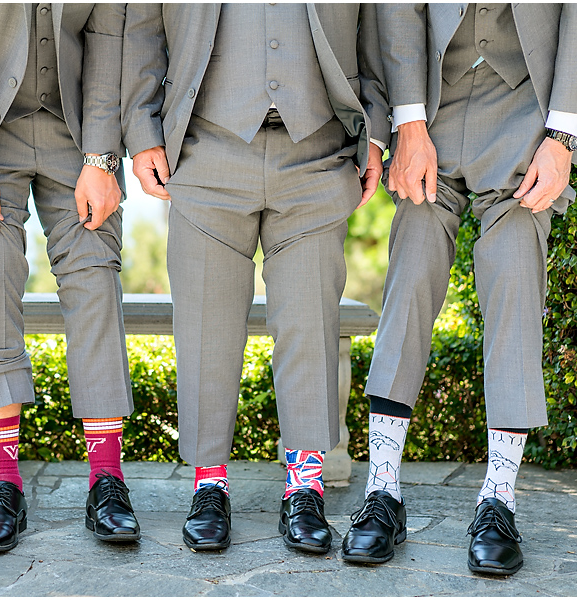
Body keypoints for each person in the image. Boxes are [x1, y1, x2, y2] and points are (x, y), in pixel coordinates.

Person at [121, 3, 387, 552]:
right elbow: (143, 28)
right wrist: (142, 130)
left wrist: (377, 135)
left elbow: (377, 28)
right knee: (205, 329)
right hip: (205, 150)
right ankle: (208, 485)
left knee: (309, 327)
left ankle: (305, 488)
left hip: (317, 154)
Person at [342, 3, 577, 576]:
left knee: (513, 272)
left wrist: (562, 138)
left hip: (525, 109)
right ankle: (383, 491)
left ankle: (498, 500)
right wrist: (408, 122)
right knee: (413, 264)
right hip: (432, 103)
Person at [0, 3, 139, 552]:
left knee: (94, 279)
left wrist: (104, 160)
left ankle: (106, 480)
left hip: (79, 135)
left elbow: (109, 40)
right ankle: (3, 481)